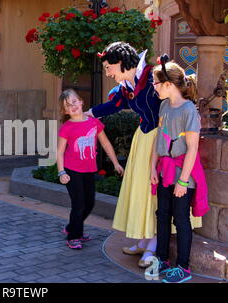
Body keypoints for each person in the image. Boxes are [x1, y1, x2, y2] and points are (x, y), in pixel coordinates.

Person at [85, 42, 201, 267]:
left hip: (162, 142)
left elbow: (174, 107)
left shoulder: (152, 78)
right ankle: (144, 239)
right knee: (142, 192)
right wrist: (88, 113)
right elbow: (114, 105)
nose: (108, 73)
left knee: (155, 195)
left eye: (109, 67)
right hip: (144, 139)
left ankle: (154, 245)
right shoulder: (128, 84)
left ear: (120, 63)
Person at [150, 58, 209, 283]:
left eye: (155, 83)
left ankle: (183, 267)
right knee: (162, 215)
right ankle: (162, 258)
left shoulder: (189, 110)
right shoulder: (164, 106)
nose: (153, 87)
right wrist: (152, 168)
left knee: (181, 219)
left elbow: (192, 148)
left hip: (183, 175)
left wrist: (183, 182)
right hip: (164, 171)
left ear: (167, 84)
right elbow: (159, 138)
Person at [57, 89, 124, 249]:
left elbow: (106, 143)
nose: (72, 106)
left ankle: (71, 227)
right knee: (79, 203)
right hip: (72, 170)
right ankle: (73, 236)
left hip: (88, 170)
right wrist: (61, 172)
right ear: (65, 111)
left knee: (90, 203)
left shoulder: (94, 122)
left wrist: (115, 163)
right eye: (68, 105)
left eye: (74, 102)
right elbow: (59, 152)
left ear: (81, 102)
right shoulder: (67, 127)